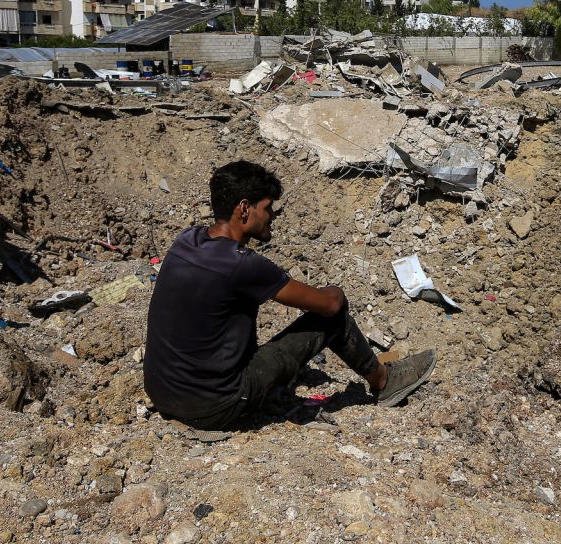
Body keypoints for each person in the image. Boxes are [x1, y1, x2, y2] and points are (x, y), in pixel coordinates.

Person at [144, 160, 435, 430]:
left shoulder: (186, 241)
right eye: (267, 208)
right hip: (215, 406)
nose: (272, 216)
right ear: (244, 209)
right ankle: (384, 381)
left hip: (163, 393)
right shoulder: (242, 264)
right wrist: (337, 292)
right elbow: (330, 305)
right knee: (333, 320)